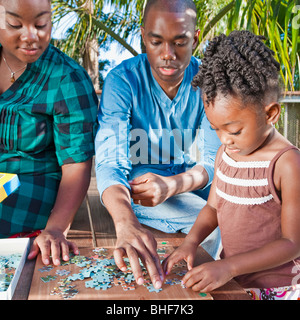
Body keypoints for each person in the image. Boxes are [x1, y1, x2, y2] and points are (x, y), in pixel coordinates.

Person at [163, 30, 300, 300]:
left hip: (279, 290)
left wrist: (228, 265)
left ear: (271, 113)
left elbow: (293, 243)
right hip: (232, 282)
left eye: (235, 131)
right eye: (215, 129)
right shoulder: (225, 154)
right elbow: (213, 208)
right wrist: (190, 242)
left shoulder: (288, 164)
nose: (225, 140)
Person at [95, 0, 221, 289]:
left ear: (196, 38)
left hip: (181, 177)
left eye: (180, 42)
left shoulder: (207, 83)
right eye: (156, 41)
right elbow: (109, 163)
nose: (168, 55)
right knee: (213, 226)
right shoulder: (122, 80)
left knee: (245, 204)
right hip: (135, 188)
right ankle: (181, 290)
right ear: (142, 36)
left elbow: (216, 162)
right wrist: (125, 222)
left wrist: (173, 184)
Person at [0, 0, 98, 266]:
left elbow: (77, 165)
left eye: (41, 24)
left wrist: (55, 228)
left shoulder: (66, 78)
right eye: (15, 24)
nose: (31, 36)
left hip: (31, 184)